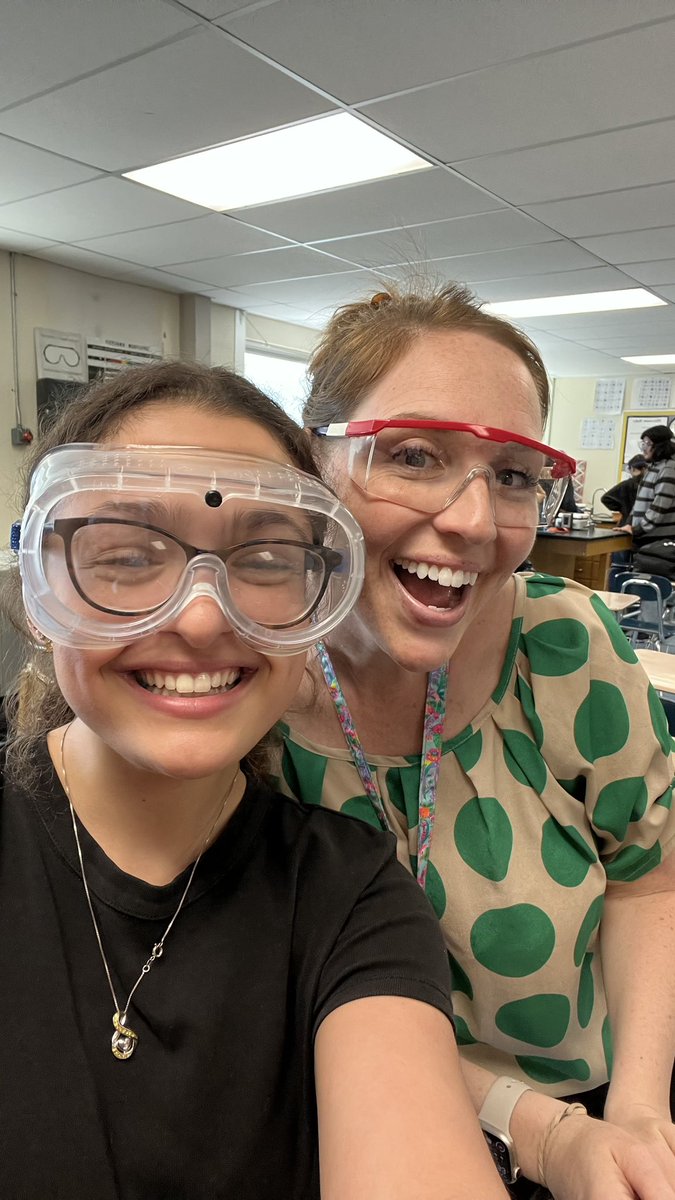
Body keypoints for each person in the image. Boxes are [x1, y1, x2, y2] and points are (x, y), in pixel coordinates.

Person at [0, 361, 508, 1200]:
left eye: (268, 560)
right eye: (126, 556)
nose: (201, 617)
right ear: (45, 590)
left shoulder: (351, 895)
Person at [277, 284, 675, 1200]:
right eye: (414, 456)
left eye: (511, 476)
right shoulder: (245, 691)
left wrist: (640, 1113)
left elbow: (648, 878)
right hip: (337, 1122)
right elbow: (268, 989)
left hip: (592, 1112)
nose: (469, 520)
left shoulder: (563, 646)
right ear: (312, 467)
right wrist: (534, 1131)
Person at [619, 426, 675, 578]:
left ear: (660, 445)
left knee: (650, 586)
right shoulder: (654, 467)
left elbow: (659, 507)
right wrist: (630, 522)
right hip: (645, 537)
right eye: (642, 443)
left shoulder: (669, 468)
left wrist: (637, 529)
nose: (644, 449)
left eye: (647, 444)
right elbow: (639, 502)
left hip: (658, 541)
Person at [601, 453, 647, 525]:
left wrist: (623, 508)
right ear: (645, 469)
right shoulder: (649, 485)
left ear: (632, 468)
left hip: (626, 522)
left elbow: (605, 498)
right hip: (643, 524)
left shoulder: (626, 484)